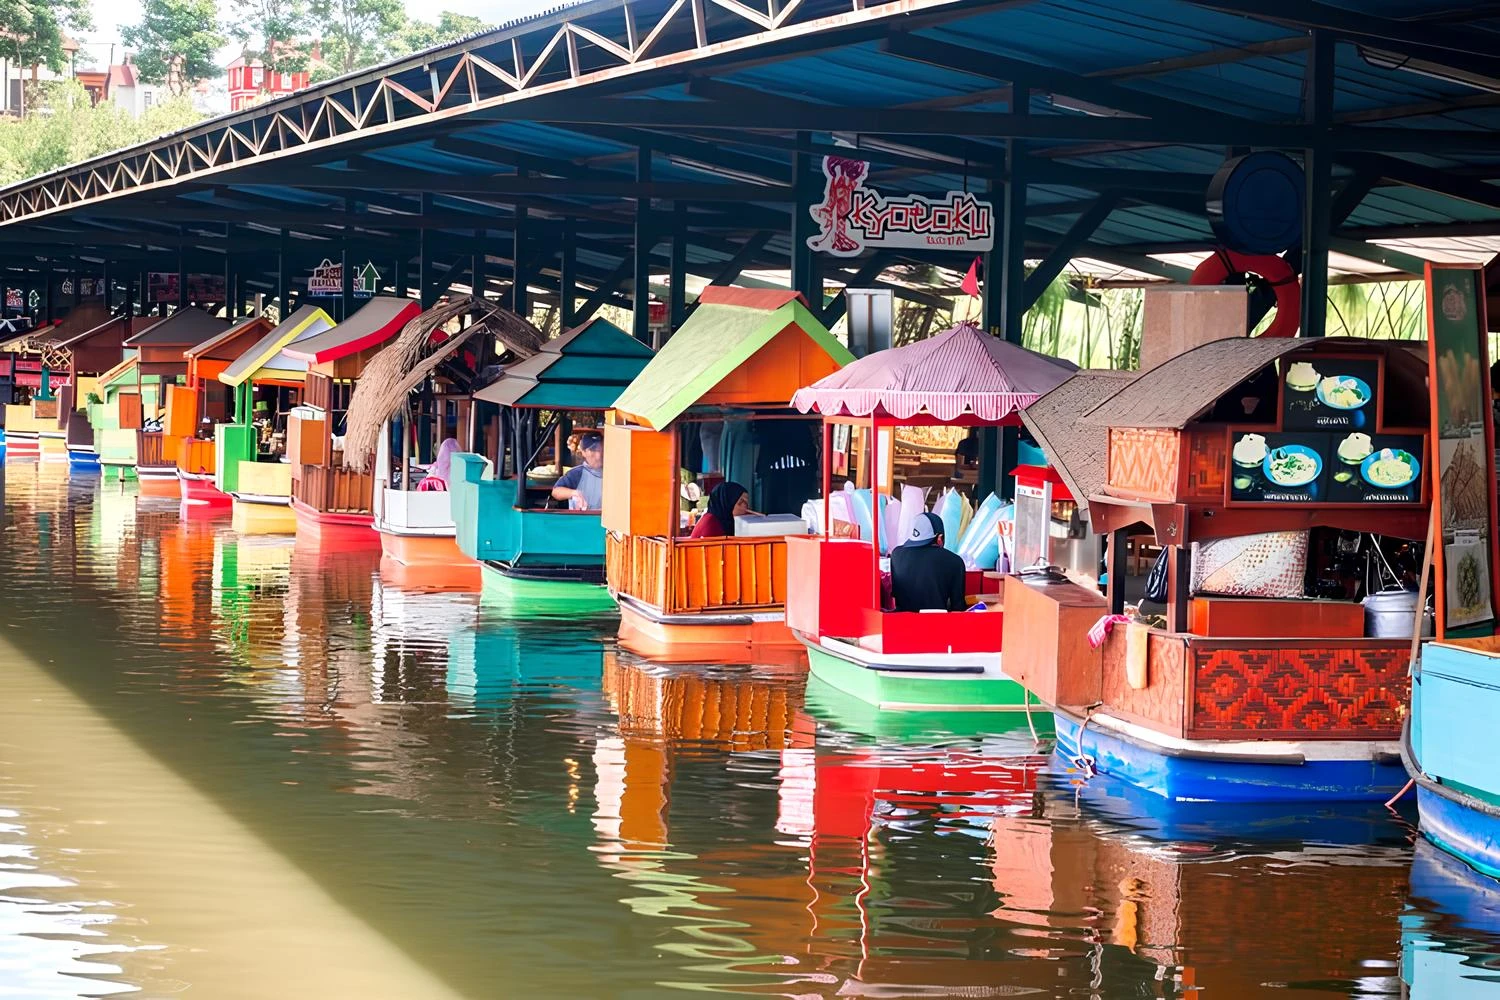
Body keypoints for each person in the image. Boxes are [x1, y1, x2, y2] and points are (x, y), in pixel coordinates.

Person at [889, 511, 967, 613]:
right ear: (939, 538)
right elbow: (958, 607)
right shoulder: (955, 561)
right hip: (938, 626)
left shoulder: (896, 555)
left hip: (901, 626)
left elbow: (896, 595)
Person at [551, 432, 604, 509]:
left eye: (601, 449)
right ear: (583, 452)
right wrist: (574, 493)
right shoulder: (577, 473)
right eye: (593, 450)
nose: (599, 455)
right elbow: (556, 491)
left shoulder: (613, 473)